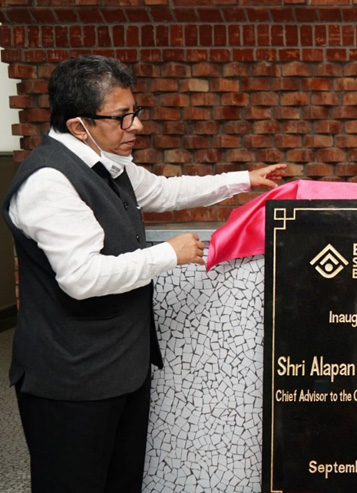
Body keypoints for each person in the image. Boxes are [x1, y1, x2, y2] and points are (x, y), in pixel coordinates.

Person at [2, 55, 286, 493]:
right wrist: (168, 254)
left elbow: (166, 192)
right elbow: (82, 277)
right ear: (79, 126)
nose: (136, 125)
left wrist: (243, 179)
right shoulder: (49, 182)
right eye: (122, 117)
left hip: (120, 369)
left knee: (121, 482)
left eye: (135, 111)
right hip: (71, 381)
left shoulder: (108, 163)